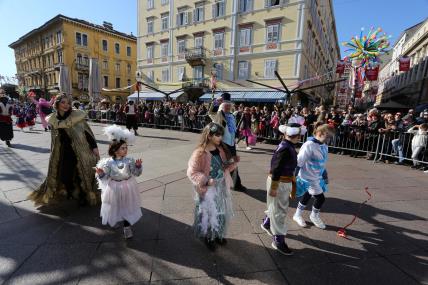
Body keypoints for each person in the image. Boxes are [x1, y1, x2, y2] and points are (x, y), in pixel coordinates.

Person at [29, 94, 100, 206]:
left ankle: (83, 195)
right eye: (63, 102)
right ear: (57, 104)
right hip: (62, 152)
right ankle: (70, 190)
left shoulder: (76, 116)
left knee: (81, 173)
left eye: (68, 103)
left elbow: (87, 132)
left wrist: (94, 147)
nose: (66, 105)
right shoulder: (53, 119)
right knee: (63, 174)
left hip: (80, 150)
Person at [187, 123, 238, 251]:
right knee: (208, 212)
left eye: (221, 135)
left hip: (221, 185)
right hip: (208, 189)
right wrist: (206, 180)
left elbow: (224, 167)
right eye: (217, 135)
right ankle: (208, 236)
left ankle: (218, 234)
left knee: (221, 211)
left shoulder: (221, 150)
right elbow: (192, 172)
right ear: (209, 136)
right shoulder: (200, 153)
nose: (220, 138)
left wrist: (232, 163)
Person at [261, 123, 306, 256]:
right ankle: (278, 240)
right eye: (298, 136)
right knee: (279, 211)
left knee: (274, 206)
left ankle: (267, 223)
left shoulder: (286, 145)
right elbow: (276, 169)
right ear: (295, 135)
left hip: (281, 181)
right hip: (279, 182)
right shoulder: (286, 148)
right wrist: (274, 187)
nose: (299, 138)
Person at [95, 125, 143, 239]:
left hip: (129, 186)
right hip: (114, 188)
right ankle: (114, 219)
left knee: (127, 205)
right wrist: (101, 173)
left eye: (126, 147)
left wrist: (138, 166)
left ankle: (127, 227)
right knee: (114, 205)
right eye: (122, 148)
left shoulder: (130, 160)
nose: (125, 150)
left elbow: (136, 173)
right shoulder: (108, 163)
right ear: (115, 150)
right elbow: (105, 177)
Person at [293, 123, 335, 230]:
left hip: (316, 177)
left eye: (330, 138)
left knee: (307, 194)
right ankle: (314, 216)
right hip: (307, 177)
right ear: (320, 133)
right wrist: (293, 178)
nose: (329, 140)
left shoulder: (324, 145)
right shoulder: (309, 145)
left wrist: (324, 175)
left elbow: (322, 163)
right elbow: (299, 162)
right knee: (321, 198)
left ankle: (297, 214)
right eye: (328, 137)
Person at [208, 93, 246, 192]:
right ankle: (221, 184)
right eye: (225, 104)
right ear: (222, 105)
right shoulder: (219, 115)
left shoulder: (232, 116)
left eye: (229, 104)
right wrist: (216, 102)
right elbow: (211, 112)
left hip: (231, 145)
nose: (228, 106)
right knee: (222, 165)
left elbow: (232, 130)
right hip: (223, 145)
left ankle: (236, 184)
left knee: (232, 165)